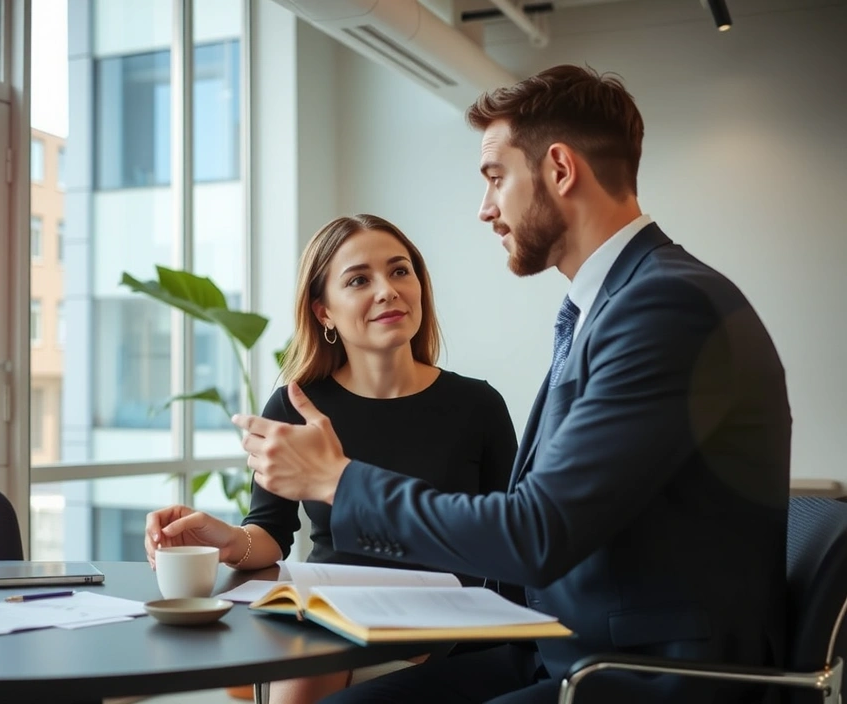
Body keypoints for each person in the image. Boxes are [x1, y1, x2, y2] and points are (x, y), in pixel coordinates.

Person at [233, 65, 791, 704]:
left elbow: (535, 532)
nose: (486, 208)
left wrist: (336, 480)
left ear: (559, 169)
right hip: (565, 647)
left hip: (639, 673)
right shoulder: (610, 306)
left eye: (496, 178)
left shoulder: (663, 308)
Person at [144, 213, 519, 704]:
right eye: (359, 279)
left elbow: (513, 540)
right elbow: (271, 535)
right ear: (324, 312)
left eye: (400, 271)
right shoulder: (295, 406)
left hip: (441, 626)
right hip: (329, 617)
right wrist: (227, 540)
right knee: (312, 654)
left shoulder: (477, 406)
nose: (387, 290)